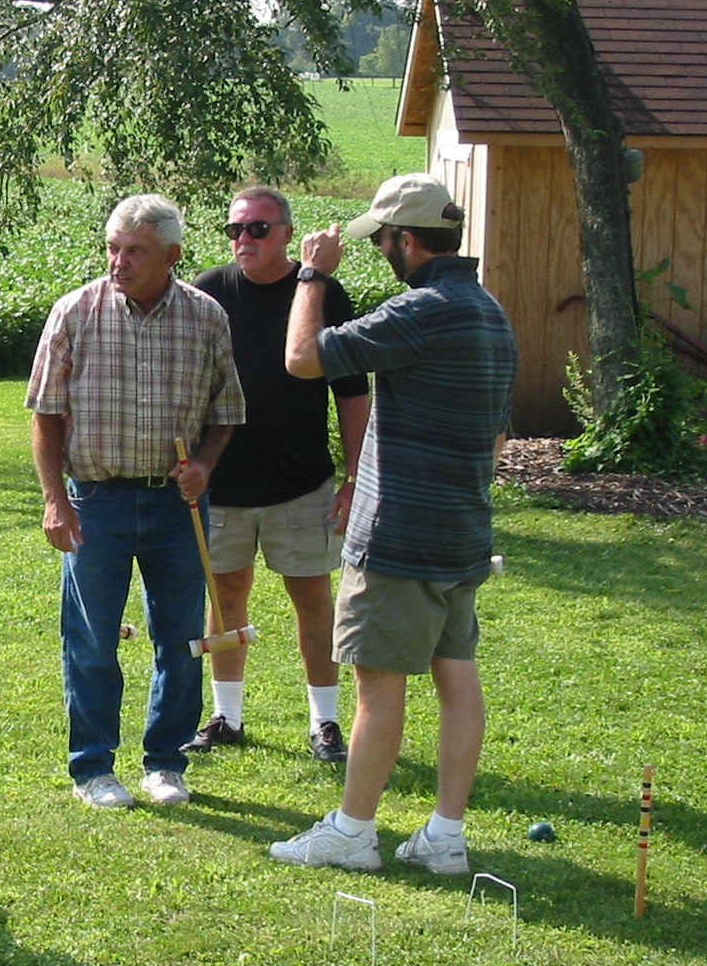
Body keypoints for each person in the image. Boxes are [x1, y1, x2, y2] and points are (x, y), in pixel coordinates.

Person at [269, 173, 515, 873]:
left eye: (380, 239)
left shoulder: (421, 310)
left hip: (399, 537)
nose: (378, 250)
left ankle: (352, 832)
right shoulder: (490, 312)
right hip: (462, 533)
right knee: (457, 678)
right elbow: (499, 439)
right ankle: (445, 836)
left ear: (406, 240)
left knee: (377, 687)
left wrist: (312, 277)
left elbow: (301, 358)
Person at [27, 194, 245, 809]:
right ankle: (93, 769)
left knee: (180, 639)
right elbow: (45, 414)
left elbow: (227, 411)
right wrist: (55, 500)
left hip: (178, 507)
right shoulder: (75, 311)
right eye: (113, 249)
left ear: (171, 256)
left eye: (134, 251)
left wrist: (204, 465)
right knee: (92, 639)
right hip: (95, 501)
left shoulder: (206, 317)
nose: (118, 261)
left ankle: (165, 764)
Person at [187, 186, 369, 762]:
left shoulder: (322, 293)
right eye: (235, 229)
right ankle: (227, 716)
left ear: (287, 234)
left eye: (258, 229)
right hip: (223, 483)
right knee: (226, 595)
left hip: (301, 482)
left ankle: (325, 723)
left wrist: (355, 477)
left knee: (312, 597)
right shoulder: (208, 291)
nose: (244, 239)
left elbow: (352, 392)